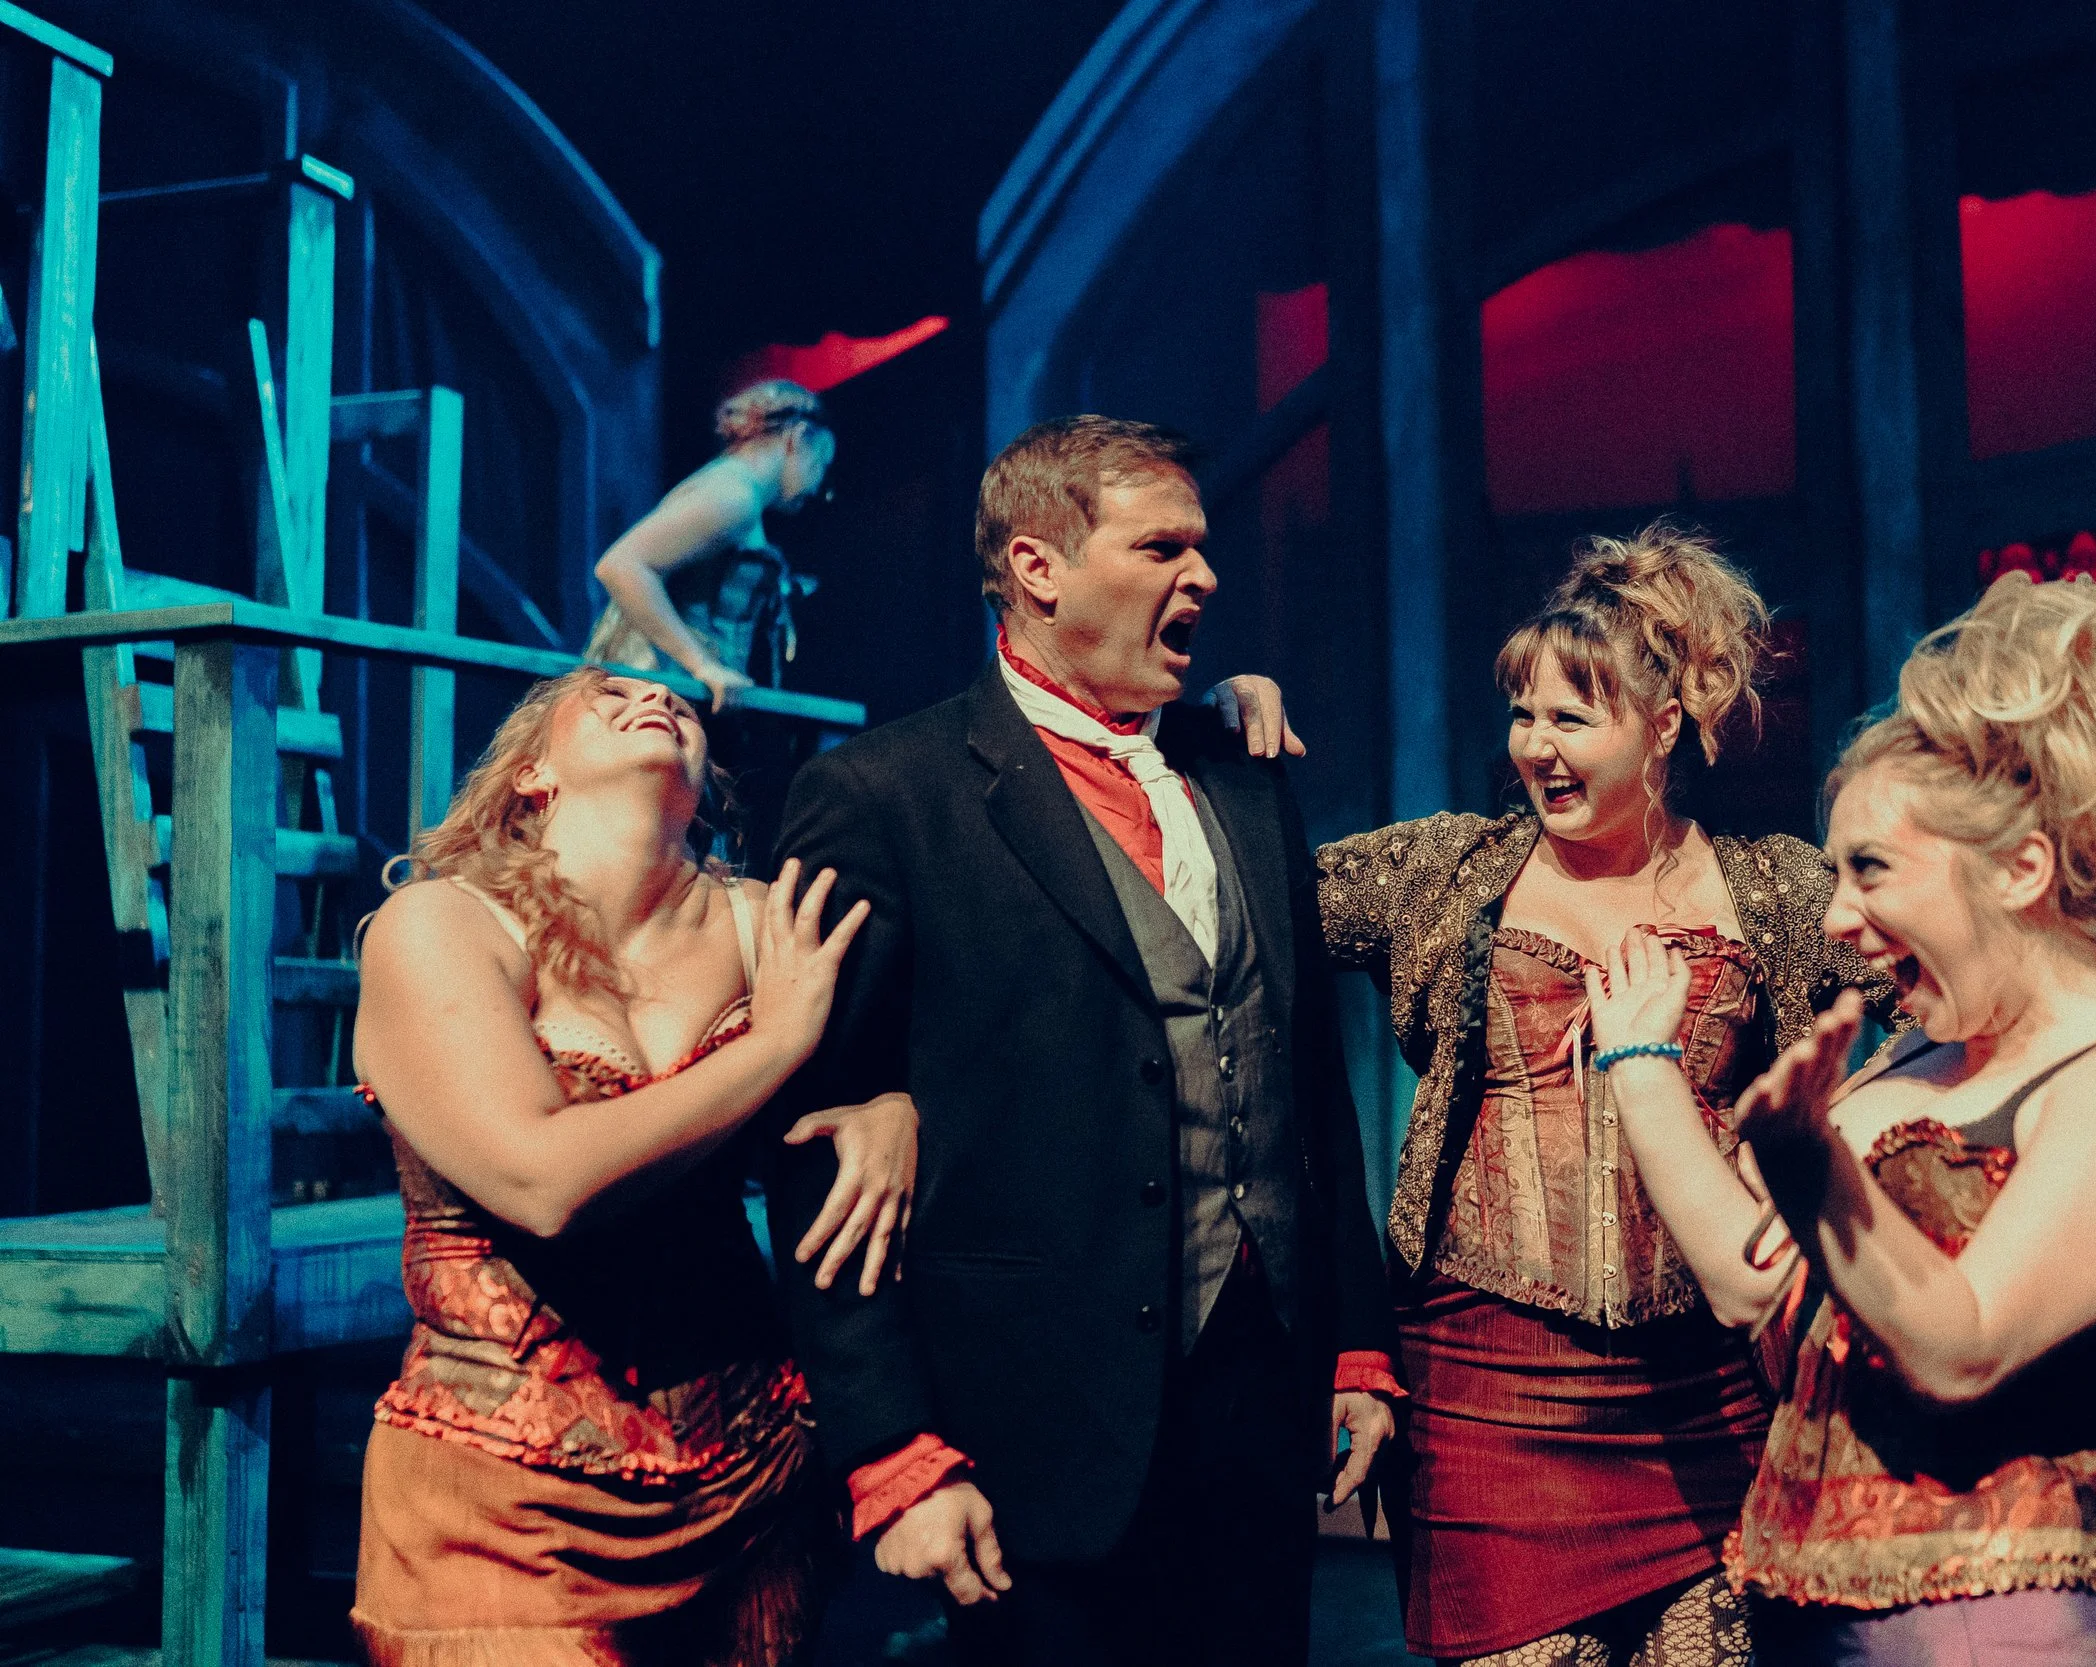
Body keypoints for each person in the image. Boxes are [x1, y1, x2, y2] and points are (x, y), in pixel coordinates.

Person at [764, 415, 1397, 1667]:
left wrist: (1357, 1342)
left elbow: (1306, 1085)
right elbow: (817, 1146)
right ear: (1039, 566)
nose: (1203, 575)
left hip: (1256, 1406)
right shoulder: (886, 794)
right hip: (1029, 1429)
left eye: (1203, 547)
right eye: (1161, 545)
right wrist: (890, 1450)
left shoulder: (1243, 774)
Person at [1310, 524, 1896, 1667]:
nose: (1536, 746)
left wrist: (1813, 1143)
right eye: (1523, 715)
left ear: (1662, 726)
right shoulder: (1446, 869)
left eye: (1570, 717)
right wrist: (1216, 736)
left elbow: (1950, 991)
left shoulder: (1772, 887)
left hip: (1708, 1398)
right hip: (1486, 1393)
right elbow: (1230, 901)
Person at [1713, 572, 2096, 1663]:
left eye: (1869, 869)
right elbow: (1746, 1288)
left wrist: (1813, 1165)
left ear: (2020, 869)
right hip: (1805, 1612)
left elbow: (1963, 1345)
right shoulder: (1914, 1051)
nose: (1838, 916)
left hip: (2009, 1622)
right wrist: (1644, 1064)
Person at [348, 664, 913, 1666]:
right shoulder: (441, 923)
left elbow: (978, 1023)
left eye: (682, 708)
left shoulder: (757, 923)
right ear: (530, 775)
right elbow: (541, 1178)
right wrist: (773, 1047)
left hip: (754, 1476)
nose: (657, 701)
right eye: (606, 696)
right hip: (505, 1503)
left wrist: (894, 1105)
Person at [586, 380, 835, 712]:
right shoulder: (734, 494)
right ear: (798, 437)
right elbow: (620, 566)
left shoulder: (735, 490)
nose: (818, 485)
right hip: (649, 693)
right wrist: (702, 664)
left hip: (667, 697)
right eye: (820, 464)